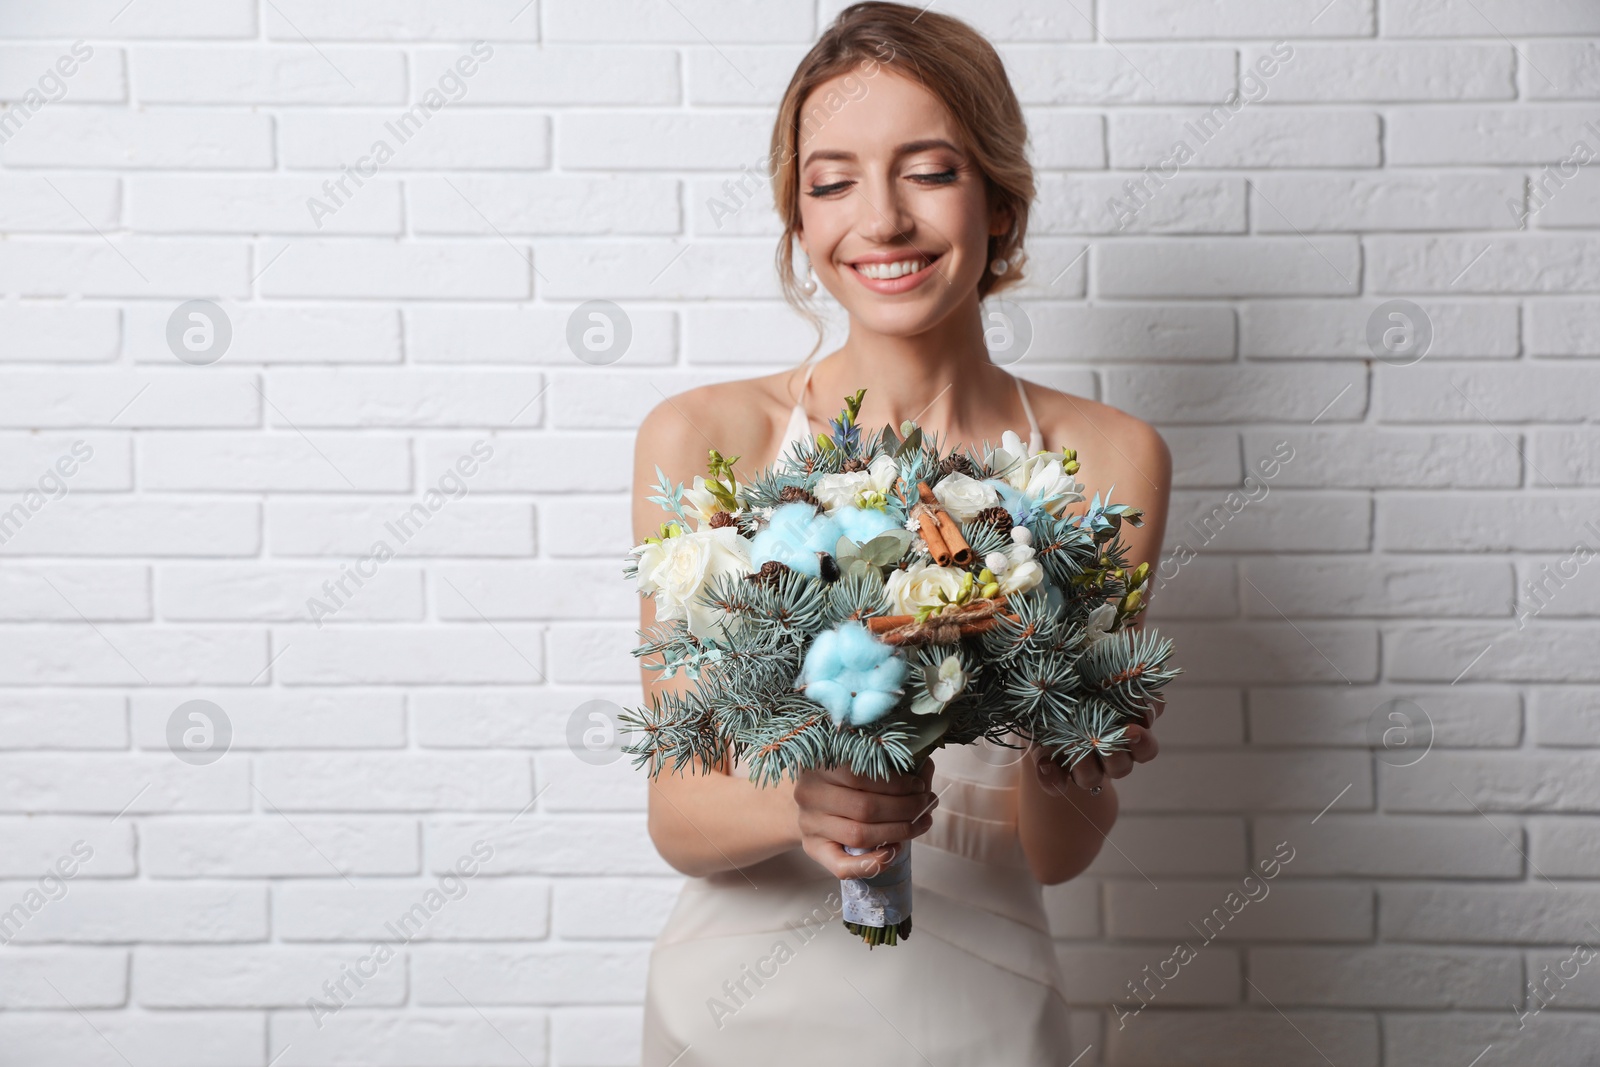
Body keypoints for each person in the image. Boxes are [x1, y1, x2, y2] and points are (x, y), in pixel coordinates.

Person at [629, 4, 1172, 1063]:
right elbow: (675, 808)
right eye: (830, 181)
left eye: (927, 170)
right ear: (798, 217)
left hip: (982, 1009)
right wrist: (802, 800)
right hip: (732, 1014)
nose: (878, 220)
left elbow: (1057, 854)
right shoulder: (708, 437)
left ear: (999, 200)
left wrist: (1083, 759)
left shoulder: (1106, 460)